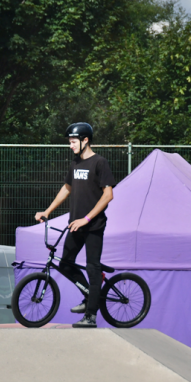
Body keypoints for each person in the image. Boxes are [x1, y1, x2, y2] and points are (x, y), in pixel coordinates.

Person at [35, 123, 115, 328]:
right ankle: (89, 294)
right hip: (75, 225)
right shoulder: (75, 163)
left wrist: (86, 219)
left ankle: (91, 315)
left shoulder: (100, 162)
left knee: (92, 267)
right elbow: (67, 188)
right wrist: (47, 211)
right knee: (65, 264)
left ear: (85, 140)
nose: (70, 146)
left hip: (93, 226)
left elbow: (108, 195)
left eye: (72, 142)